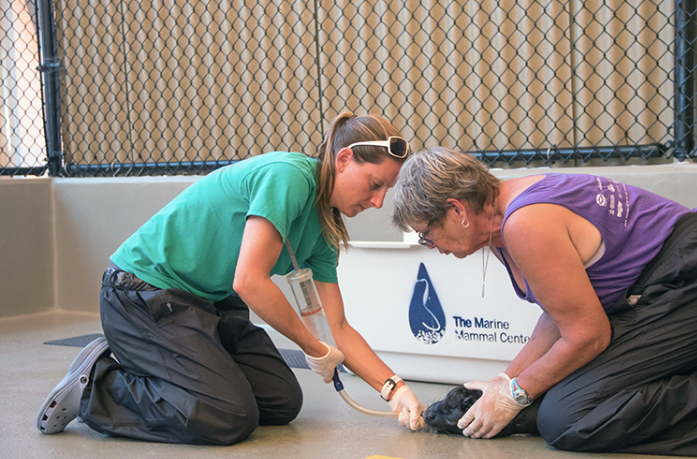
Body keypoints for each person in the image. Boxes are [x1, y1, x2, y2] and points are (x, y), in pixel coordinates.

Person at [36, 112, 426, 445]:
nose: (377, 201)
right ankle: (97, 385)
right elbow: (250, 281)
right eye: (375, 184)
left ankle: (172, 371)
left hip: (206, 302)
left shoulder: (325, 228)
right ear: (344, 159)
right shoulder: (288, 176)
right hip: (143, 293)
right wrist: (312, 345)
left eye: (385, 191)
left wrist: (395, 388)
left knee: (281, 401)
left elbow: (338, 326)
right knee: (229, 415)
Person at [391, 146, 697, 456]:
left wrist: (517, 394)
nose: (429, 246)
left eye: (426, 234)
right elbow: (559, 315)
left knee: (569, 418)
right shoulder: (498, 223)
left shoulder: (524, 222)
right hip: (659, 288)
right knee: (559, 400)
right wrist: (504, 381)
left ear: (457, 210)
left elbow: (588, 335)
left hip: (684, 277)